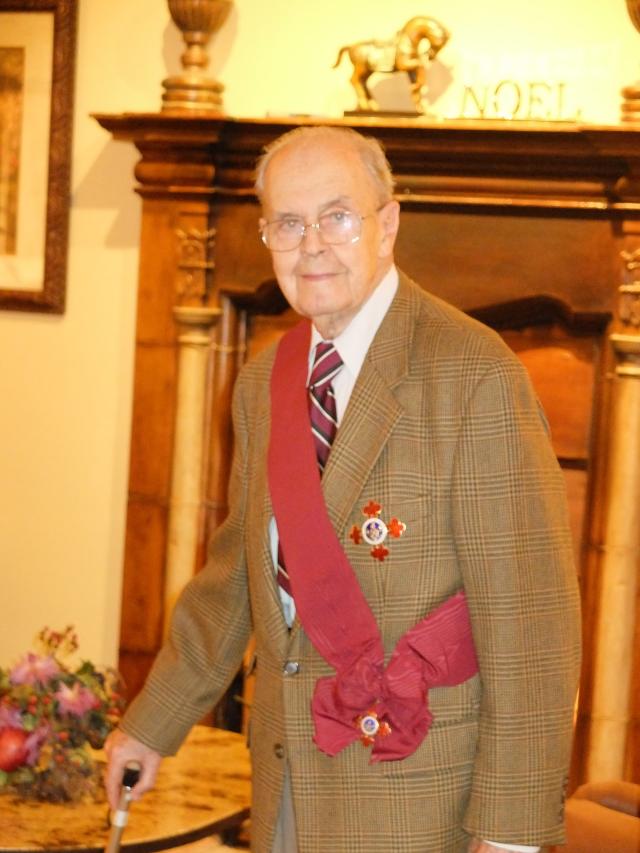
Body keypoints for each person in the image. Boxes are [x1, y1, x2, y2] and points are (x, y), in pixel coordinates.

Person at [105, 125, 581, 853]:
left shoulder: (474, 374)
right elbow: (236, 577)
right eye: (288, 224)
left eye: (337, 215)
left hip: (419, 797)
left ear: (387, 224)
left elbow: (531, 623)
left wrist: (511, 834)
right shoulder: (265, 381)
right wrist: (152, 722)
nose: (312, 245)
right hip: (287, 771)